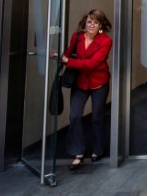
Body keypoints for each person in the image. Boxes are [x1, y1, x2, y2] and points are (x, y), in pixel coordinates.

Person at [60, 9, 113, 171]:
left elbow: (92, 64)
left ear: (101, 25)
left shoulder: (105, 41)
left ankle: (98, 149)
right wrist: (60, 57)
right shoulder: (76, 37)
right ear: (85, 23)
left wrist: (68, 61)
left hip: (99, 83)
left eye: (96, 22)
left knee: (97, 117)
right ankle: (78, 153)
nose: (92, 25)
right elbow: (68, 55)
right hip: (80, 82)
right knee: (74, 115)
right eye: (89, 21)